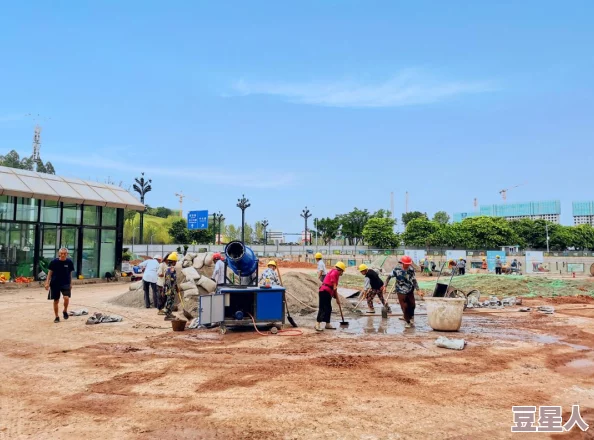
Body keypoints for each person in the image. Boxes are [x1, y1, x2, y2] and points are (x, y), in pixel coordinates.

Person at [385, 255, 420, 328]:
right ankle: (407, 321)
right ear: (403, 263)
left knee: (412, 305)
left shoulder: (411, 269)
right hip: (400, 290)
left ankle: (411, 316)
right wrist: (385, 286)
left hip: (410, 289)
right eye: (406, 264)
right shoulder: (397, 269)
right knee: (405, 306)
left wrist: (418, 290)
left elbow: (414, 280)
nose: (408, 265)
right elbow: (389, 277)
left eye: (409, 264)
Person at [45, 247, 75, 323]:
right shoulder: (54, 262)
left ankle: (65, 310)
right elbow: (49, 273)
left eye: (64, 254)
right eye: (61, 253)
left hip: (65, 283)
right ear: (59, 254)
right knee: (56, 300)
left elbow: (70, 273)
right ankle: (57, 317)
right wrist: (47, 282)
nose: (63, 255)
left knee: (66, 298)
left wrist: (71, 283)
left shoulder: (69, 262)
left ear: (67, 254)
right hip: (55, 283)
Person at [315, 261, 346, 332]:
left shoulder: (335, 273)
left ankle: (327, 323)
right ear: (340, 270)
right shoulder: (335, 272)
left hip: (328, 292)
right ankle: (317, 324)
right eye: (342, 272)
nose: (342, 273)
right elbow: (332, 279)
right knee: (322, 308)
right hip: (324, 291)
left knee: (328, 308)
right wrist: (334, 284)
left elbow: (334, 289)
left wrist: (336, 298)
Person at [162, 252, 179, 320]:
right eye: (176, 261)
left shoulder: (167, 269)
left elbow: (166, 280)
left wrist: (164, 290)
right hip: (171, 288)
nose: (176, 263)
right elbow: (173, 280)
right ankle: (168, 315)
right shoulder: (172, 269)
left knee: (169, 301)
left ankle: (169, 313)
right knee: (170, 301)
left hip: (168, 288)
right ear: (174, 261)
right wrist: (175, 287)